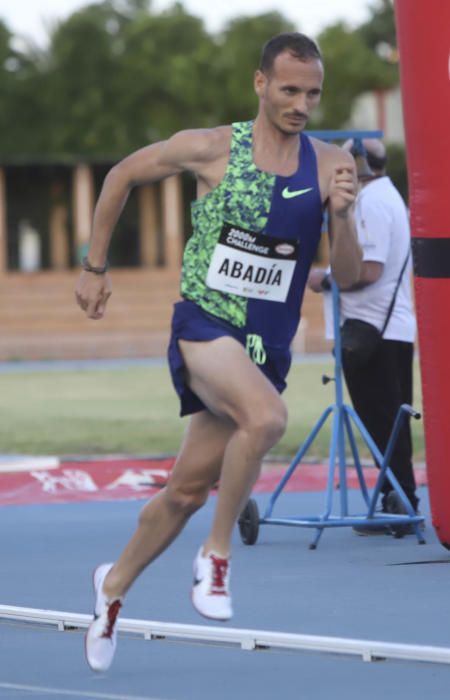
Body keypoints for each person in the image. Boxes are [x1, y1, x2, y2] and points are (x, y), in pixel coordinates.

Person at [75, 32, 362, 672]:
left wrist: (341, 215)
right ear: (260, 84)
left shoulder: (329, 162)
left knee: (184, 490)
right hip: (204, 325)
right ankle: (216, 557)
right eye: (288, 90)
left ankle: (111, 587)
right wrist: (95, 265)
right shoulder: (210, 148)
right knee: (267, 420)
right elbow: (121, 174)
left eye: (312, 93)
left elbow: (346, 271)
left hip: (265, 349)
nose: (300, 104)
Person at [308, 138, 419, 535]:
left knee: (381, 420)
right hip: (388, 326)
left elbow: (366, 270)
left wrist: (323, 279)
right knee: (390, 419)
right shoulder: (389, 197)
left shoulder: (370, 203)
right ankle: (396, 498)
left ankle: (400, 501)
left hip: (372, 328)